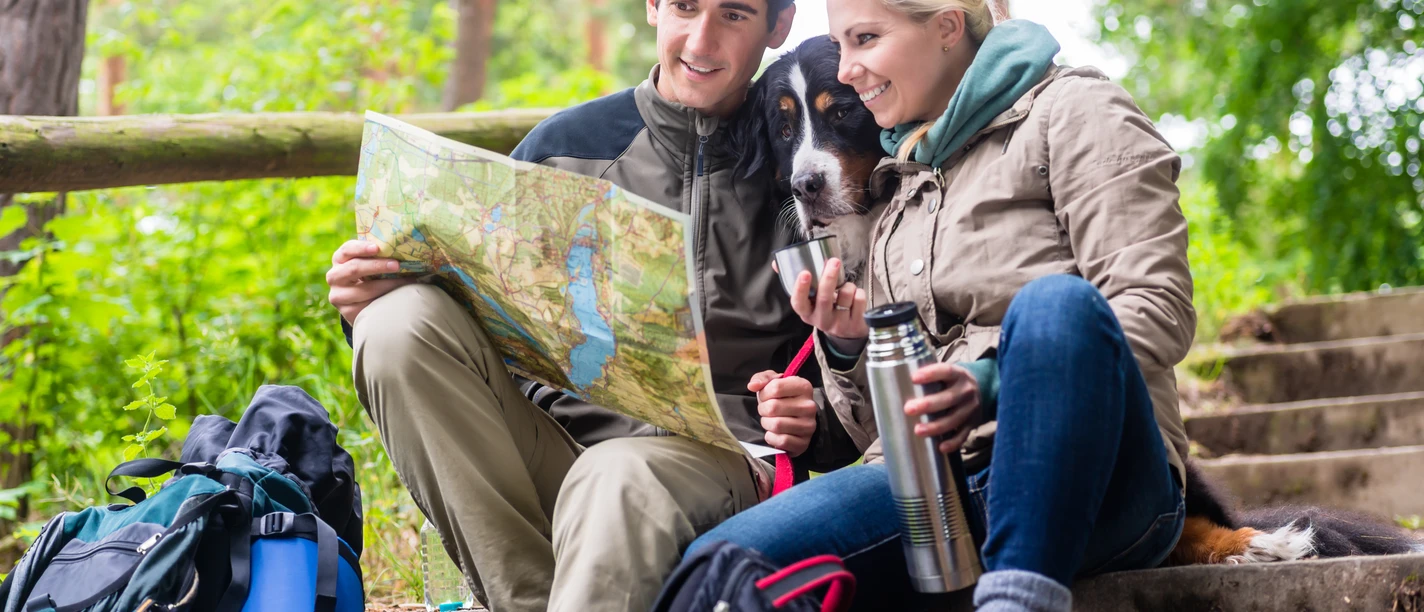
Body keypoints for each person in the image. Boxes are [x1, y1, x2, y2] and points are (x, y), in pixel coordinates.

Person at [324, 1, 861, 610]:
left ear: (778, 26)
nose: (701, 40)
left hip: (714, 468)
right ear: (654, 6)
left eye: (733, 14)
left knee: (616, 476)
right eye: (685, 6)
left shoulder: (803, 168)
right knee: (395, 326)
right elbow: (465, 333)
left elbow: (855, 388)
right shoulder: (561, 150)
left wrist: (810, 417)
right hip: (551, 449)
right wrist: (370, 296)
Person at [684, 1, 1197, 611]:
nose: (846, 70)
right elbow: (881, 426)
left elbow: (1156, 305)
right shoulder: (888, 181)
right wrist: (848, 344)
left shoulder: (1073, 109)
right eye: (841, 47)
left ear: (948, 26)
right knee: (716, 570)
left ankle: (1019, 600)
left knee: (1055, 305)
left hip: (1098, 473)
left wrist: (993, 381)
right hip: (931, 489)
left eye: (865, 39)